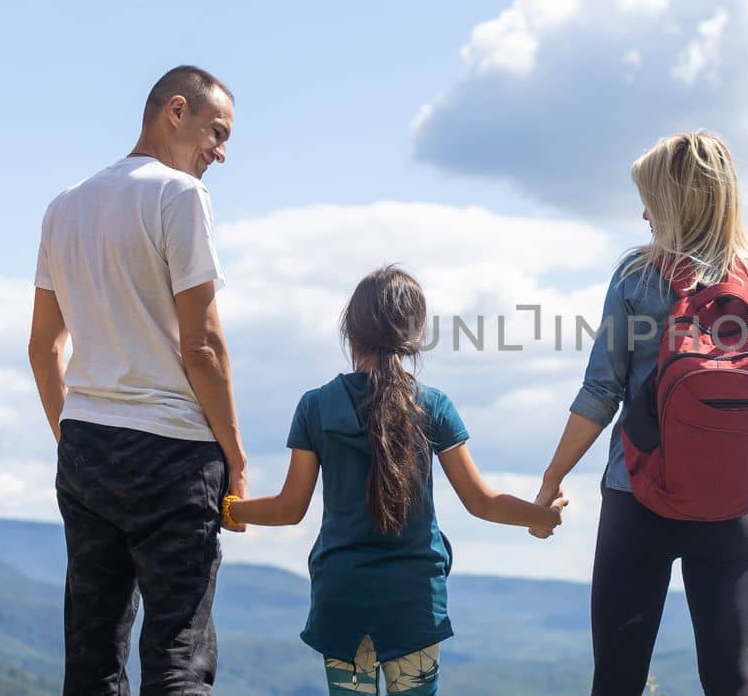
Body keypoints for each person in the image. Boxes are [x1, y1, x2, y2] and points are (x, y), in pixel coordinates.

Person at [533, 130, 748, 696]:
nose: (644, 213)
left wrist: (552, 478)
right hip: (732, 504)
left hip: (637, 494)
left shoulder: (637, 277)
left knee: (618, 678)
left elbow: (600, 391)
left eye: (650, 198)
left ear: (674, 201)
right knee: (731, 677)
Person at [228, 265, 567, 696]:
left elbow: (289, 508)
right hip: (413, 598)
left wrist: (228, 508)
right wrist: (541, 517)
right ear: (415, 333)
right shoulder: (434, 406)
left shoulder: (315, 407)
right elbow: (481, 501)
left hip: (343, 592)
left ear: (350, 330)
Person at [27, 64, 246, 695]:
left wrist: (71, 436)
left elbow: (44, 346)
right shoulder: (179, 197)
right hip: (174, 452)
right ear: (176, 111)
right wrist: (235, 456)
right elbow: (201, 344)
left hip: (88, 447)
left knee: (91, 655)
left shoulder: (63, 207)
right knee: (178, 651)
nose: (221, 153)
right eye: (217, 131)